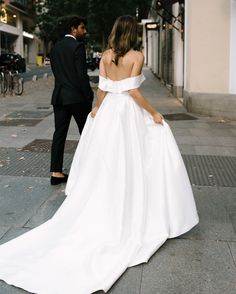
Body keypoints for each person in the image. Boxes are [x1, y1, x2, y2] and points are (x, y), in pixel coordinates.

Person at [0, 15, 198, 294]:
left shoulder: (105, 55)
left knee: (106, 160)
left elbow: (103, 89)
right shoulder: (137, 56)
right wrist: (153, 112)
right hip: (127, 112)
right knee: (132, 157)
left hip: (109, 113)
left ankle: (104, 198)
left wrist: (96, 109)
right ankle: (130, 200)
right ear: (133, 33)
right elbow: (132, 91)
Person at [50, 15, 94, 185]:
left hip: (59, 97)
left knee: (59, 134)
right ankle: (89, 171)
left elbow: (58, 74)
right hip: (77, 98)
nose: (85, 31)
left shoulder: (55, 48)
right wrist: (89, 96)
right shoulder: (77, 46)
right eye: (82, 28)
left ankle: (56, 173)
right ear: (73, 29)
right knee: (87, 133)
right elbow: (81, 76)